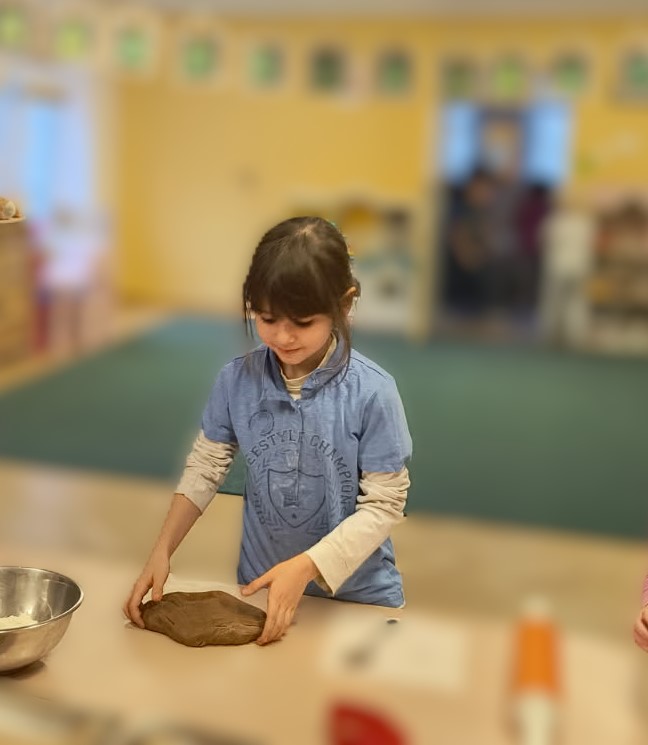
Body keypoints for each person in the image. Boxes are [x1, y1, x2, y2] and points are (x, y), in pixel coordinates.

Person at [123, 216, 412, 645]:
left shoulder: (373, 392)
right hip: (261, 592)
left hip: (356, 600)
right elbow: (206, 465)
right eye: (267, 317)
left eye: (303, 321)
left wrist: (308, 566)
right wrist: (162, 550)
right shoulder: (236, 380)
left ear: (344, 304)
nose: (283, 336)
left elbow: (385, 505)